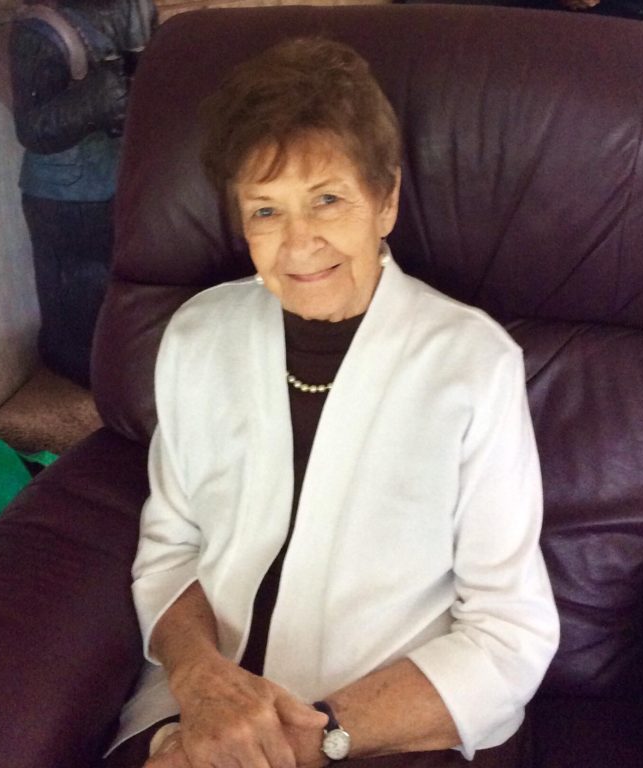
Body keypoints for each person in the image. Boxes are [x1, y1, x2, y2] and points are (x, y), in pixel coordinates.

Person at [105, 37, 559, 768]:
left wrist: (311, 738)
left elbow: (510, 633)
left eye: (327, 199)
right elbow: (170, 548)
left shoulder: (473, 365)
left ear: (386, 201)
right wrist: (202, 684)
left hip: (387, 728)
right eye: (265, 210)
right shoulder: (196, 338)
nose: (299, 243)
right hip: (201, 712)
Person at [9, 0, 156, 387]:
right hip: (64, 192)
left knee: (126, 270)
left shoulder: (134, 9)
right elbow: (32, 128)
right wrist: (93, 102)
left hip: (123, 173)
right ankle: (80, 361)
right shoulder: (39, 31)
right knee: (78, 282)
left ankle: (122, 357)